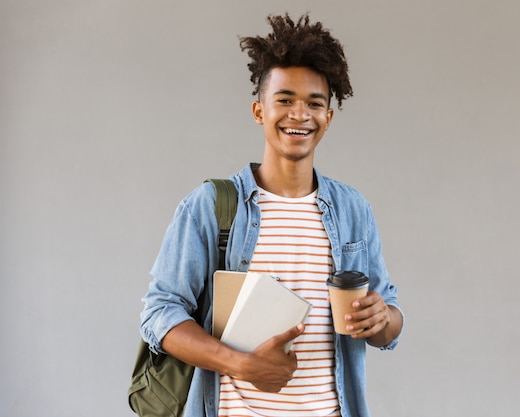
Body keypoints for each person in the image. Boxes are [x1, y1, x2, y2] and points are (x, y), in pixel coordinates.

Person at [140, 13, 404, 417]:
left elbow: (388, 322)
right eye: (284, 100)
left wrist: (382, 317)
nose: (299, 115)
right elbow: (160, 313)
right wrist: (240, 364)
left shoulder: (353, 210)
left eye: (314, 103)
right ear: (259, 111)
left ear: (328, 119)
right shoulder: (211, 206)